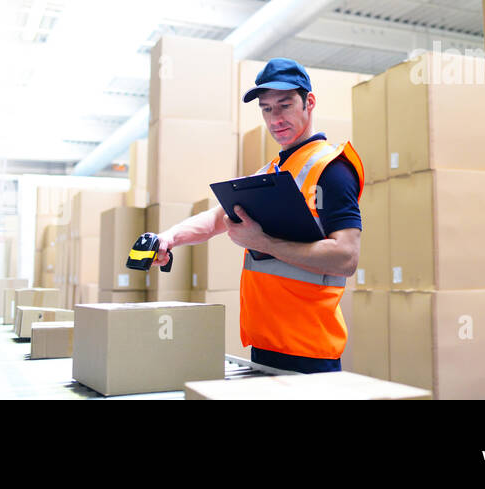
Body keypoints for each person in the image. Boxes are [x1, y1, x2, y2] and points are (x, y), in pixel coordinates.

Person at [150, 58, 365, 374]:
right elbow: (215, 218)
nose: (275, 118)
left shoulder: (332, 170)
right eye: (266, 109)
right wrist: (169, 238)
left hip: (309, 351)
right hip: (266, 346)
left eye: (285, 105)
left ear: (309, 102)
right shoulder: (271, 173)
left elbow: (346, 257)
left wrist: (263, 242)